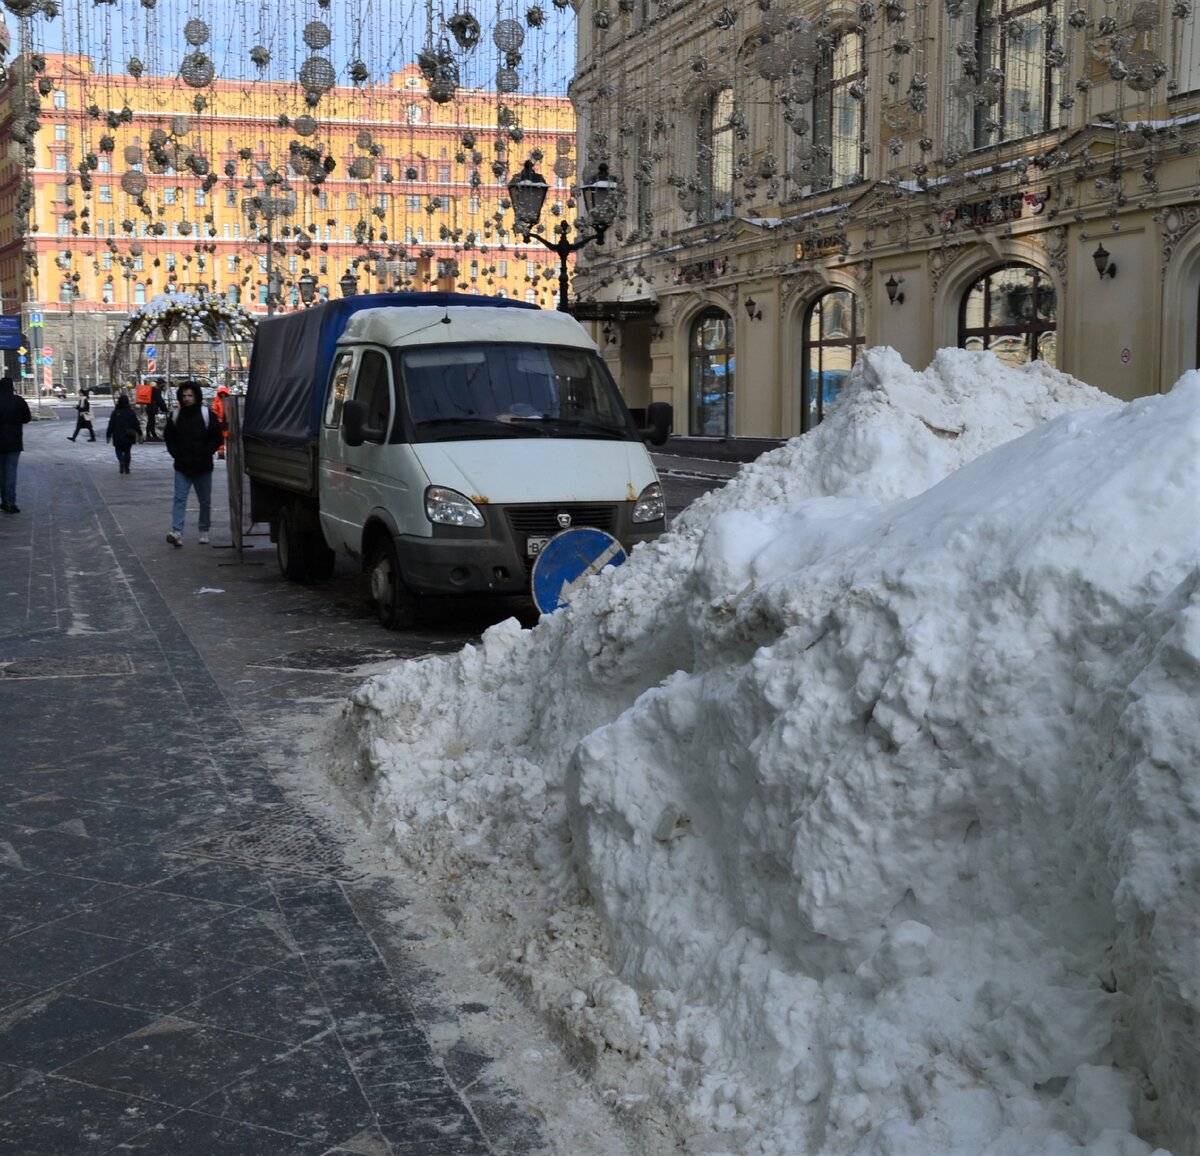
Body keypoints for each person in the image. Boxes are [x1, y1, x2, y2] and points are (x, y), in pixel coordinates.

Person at [163, 380, 222, 547]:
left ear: (196, 396)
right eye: (183, 396)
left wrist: (205, 452)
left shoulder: (206, 414)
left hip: (202, 466)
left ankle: (204, 530)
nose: (187, 399)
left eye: (190, 395)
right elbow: (169, 436)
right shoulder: (176, 415)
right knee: (179, 498)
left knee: (204, 500)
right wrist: (175, 453)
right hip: (182, 465)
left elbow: (216, 437)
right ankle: (177, 532)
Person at [0, 375, 32, 513]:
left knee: (1, 473)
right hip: (14, 442)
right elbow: (27, 418)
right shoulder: (19, 401)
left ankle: (4, 500)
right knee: (11, 472)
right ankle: (11, 503)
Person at [105, 394, 142, 474]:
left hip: (118, 435)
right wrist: (140, 434)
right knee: (127, 451)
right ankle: (127, 468)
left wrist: (108, 435)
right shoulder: (131, 412)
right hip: (129, 435)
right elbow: (136, 424)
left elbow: (111, 425)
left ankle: (121, 460)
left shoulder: (115, 412)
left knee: (118, 450)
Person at [211, 384, 231, 460]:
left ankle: (228, 454)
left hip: (226, 423)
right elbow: (214, 412)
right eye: (221, 393)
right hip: (221, 423)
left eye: (224, 393)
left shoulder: (226, 401)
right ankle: (221, 454)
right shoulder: (218, 402)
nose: (222, 394)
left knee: (228, 439)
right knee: (221, 440)